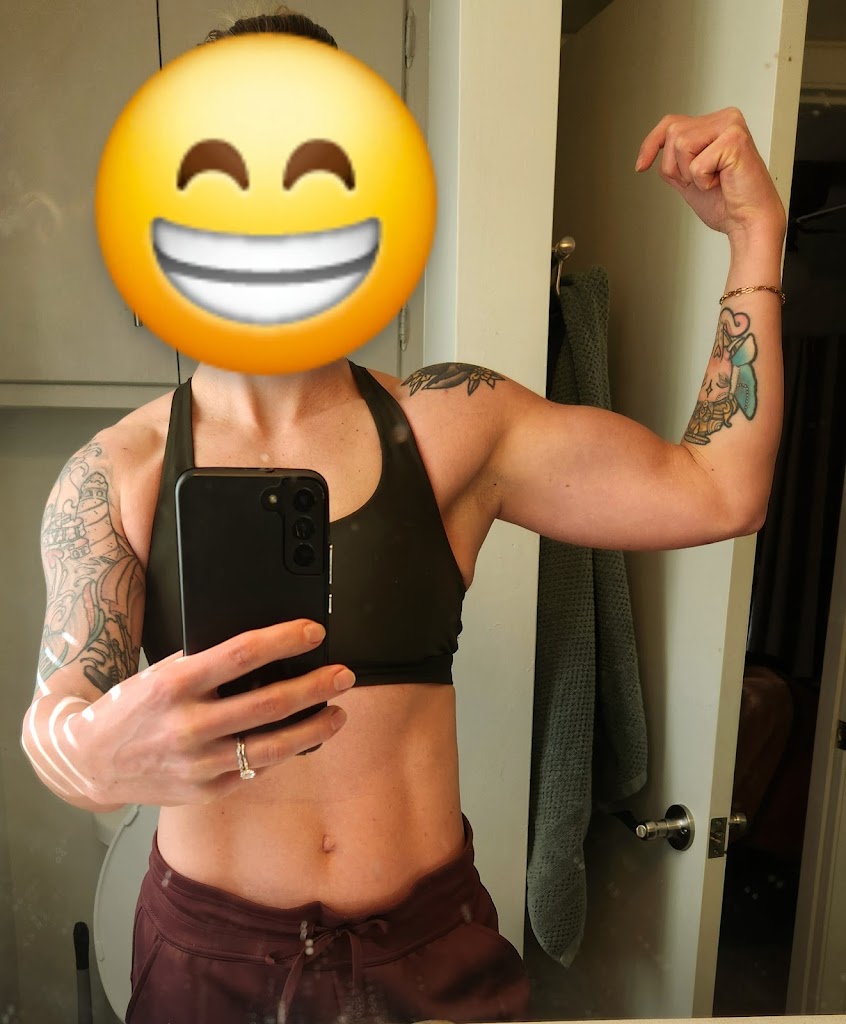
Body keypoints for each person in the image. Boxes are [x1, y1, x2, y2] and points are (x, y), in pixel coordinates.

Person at [20, 8, 788, 1024]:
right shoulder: (117, 470)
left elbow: (720, 488)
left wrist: (754, 238)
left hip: (433, 958)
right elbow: (60, 704)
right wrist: (85, 751)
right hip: (208, 962)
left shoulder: (451, 427)